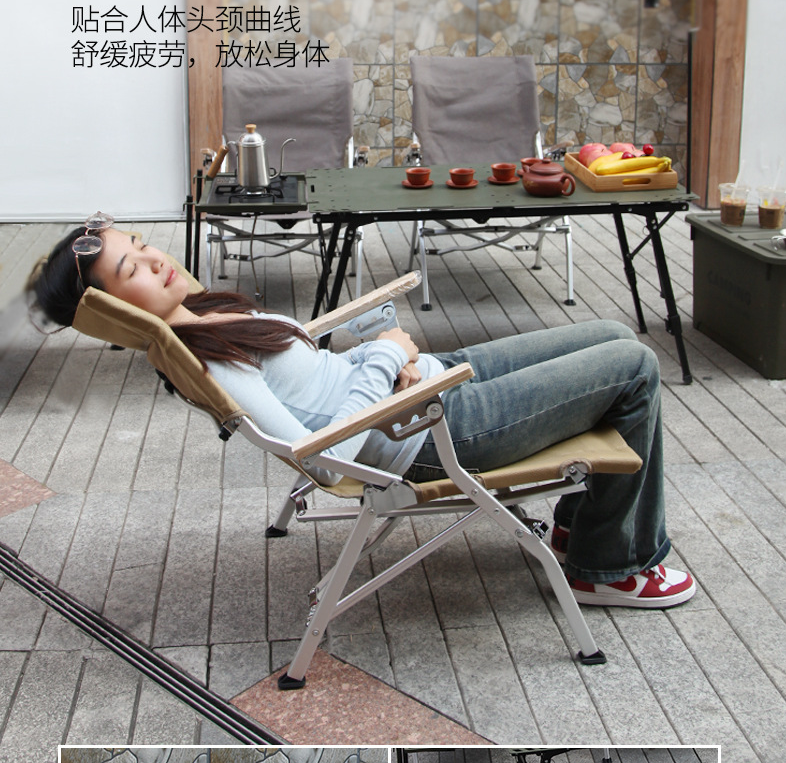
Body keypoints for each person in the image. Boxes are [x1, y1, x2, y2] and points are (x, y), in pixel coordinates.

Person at [28, 213, 696, 609]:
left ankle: (580, 529)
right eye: (132, 269)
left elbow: (310, 367)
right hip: (434, 435)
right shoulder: (209, 361)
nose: (155, 258)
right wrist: (381, 358)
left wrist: (377, 352)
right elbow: (323, 458)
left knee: (612, 332)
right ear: (117, 313)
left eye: (141, 243)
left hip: (423, 385)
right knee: (635, 367)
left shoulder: (202, 313)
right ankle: (609, 568)